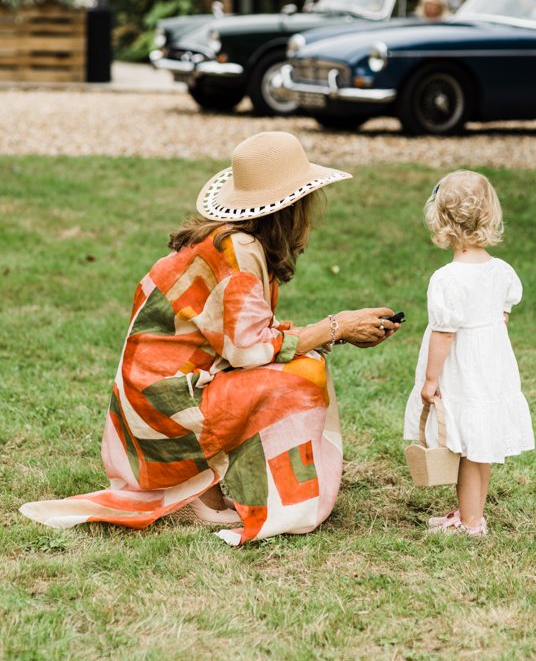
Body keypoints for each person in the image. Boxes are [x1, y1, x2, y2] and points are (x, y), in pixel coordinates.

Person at [20, 132, 400, 546]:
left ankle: (206, 488)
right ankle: (267, 501)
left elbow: (243, 337)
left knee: (300, 366)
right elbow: (249, 351)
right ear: (293, 207)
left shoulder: (231, 240)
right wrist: (335, 327)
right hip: (165, 408)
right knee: (301, 379)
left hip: (154, 400)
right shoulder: (237, 250)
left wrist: (337, 331)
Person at [404, 170, 534, 537]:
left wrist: (431, 380)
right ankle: (470, 511)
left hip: (461, 370)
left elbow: (444, 335)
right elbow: (501, 319)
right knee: (481, 443)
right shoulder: (503, 272)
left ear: (441, 221)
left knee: (465, 446)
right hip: (490, 367)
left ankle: (470, 522)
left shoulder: (448, 279)